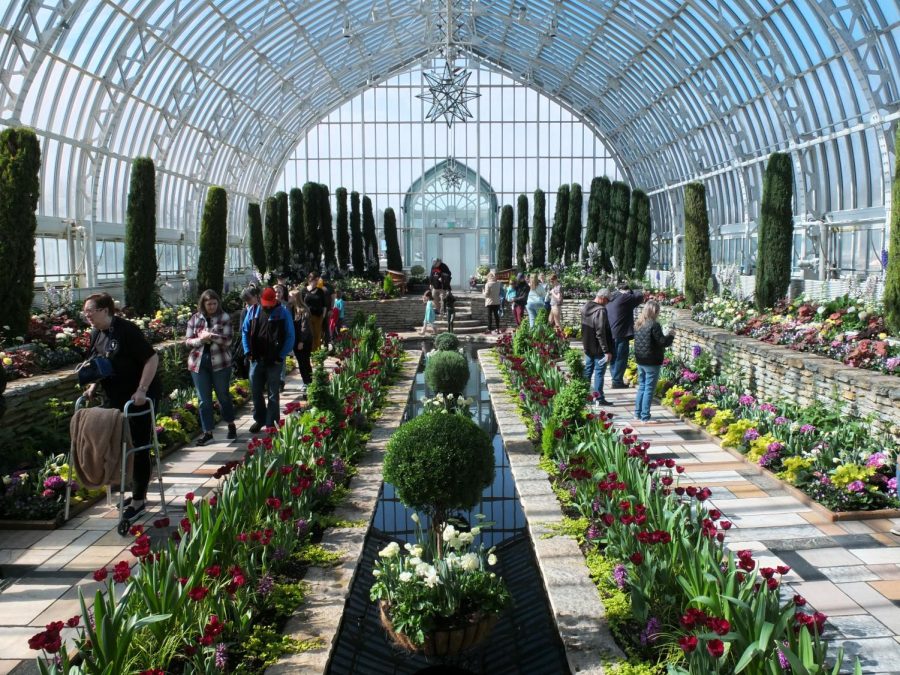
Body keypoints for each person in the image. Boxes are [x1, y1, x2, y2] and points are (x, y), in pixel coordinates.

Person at [81, 292, 161, 521]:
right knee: (120, 444)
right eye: (85, 312)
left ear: (105, 310)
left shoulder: (127, 331)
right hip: (115, 396)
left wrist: (142, 390)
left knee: (139, 444)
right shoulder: (97, 333)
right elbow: (100, 363)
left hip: (138, 396)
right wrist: (93, 387)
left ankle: (138, 499)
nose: (87, 316)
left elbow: (151, 359)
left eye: (90, 311)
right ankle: (131, 490)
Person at [185, 289, 237, 446]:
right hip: (199, 363)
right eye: (209, 304)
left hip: (220, 363)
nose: (212, 307)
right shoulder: (195, 318)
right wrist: (200, 340)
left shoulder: (224, 317)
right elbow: (187, 341)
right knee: (203, 400)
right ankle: (208, 432)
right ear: (203, 304)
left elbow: (228, 340)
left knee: (223, 395)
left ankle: (230, 423)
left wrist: (212, 336)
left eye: (214, 303)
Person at [242, 286, 295, 433]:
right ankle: (259, 419)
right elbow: (245, 331)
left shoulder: (283, 313)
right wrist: (248, 352)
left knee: (273, 393)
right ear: (260, 300)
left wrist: (281, 355)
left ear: (275, 300)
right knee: (256, 391)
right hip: (256, 359)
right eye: (265, 303)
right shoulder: (253, 311)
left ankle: (271, 424)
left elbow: (290, 336)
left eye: (270, 303)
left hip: (274, 360)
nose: (268, 306)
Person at [632, 300, 675, 424]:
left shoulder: (639, 323)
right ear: (654, 311)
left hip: (640, 360)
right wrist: (671, 335)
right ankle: (645, 416)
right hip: (652, 361)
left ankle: (637, 413)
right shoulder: (654, 325)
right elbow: (662, 342)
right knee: (649, 389)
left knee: (642, 387)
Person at [606, 282, 646, 389]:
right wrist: (631, 291)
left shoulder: (612, 297)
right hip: (621, 333)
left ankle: (615, 379)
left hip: (610, 332)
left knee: (614, 357)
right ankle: (617, 381)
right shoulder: (625, 298)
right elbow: (640, 295)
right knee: (620, 357)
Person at [580, 288, 615, 406]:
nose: (607, 303)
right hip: (599, 348)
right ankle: (599, 398)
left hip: (588, 345)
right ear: (602, 298)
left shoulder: (586, 307)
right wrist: (606, 350)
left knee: (588, 370)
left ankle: (584, 395)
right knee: (599, 372)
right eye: (607, 300)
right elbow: (600, 332)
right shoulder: (600, 311)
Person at [288, 289, 314, 394]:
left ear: (296, 298)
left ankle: (308, 382)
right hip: (297, 339)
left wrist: (301, 341)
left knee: (304, 362)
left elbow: (305, 327)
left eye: (290, 296)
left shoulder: (303, 310)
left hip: (303, 340)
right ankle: (307, 381)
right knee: (301, 362)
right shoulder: (292, 309)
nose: (289, 298)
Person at [232, 286, 259, 379]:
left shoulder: (264, 309)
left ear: (256, 296)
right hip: (248, 344)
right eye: (245, 300)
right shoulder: (245, 312)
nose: (247, 302)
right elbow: (242, 330)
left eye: (248, 299)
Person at [303, 273, 326, 351]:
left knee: (317, 335)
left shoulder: (320, 291)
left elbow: (324, 304)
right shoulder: (304, 290)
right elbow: (300, 303)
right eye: (315, 280)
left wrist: (323, 316)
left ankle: (316, 353)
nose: (316, 282)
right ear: (310, 280)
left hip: (318, 316)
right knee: (310, 334)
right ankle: (309, 351)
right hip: (307, 317)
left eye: (317, 280)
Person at [274, 284, 289, 392]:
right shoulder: (268, 305)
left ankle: (281, 380)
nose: (277, 294)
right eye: (275, 291)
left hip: (282, 335)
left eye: (279, 292)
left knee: (282, 359)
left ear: (282, 293)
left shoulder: (286, 306)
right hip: (271, 337)